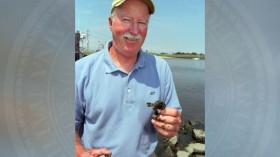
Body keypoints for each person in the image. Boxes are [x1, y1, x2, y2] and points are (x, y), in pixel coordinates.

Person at [75, 0, 182, 156]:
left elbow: (173, 121)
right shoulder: (81, 70)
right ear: (110, 22)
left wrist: (172, 126)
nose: (134, 30)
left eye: (142, 22)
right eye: (126, 20)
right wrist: (79, 152)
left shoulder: (161, 68)